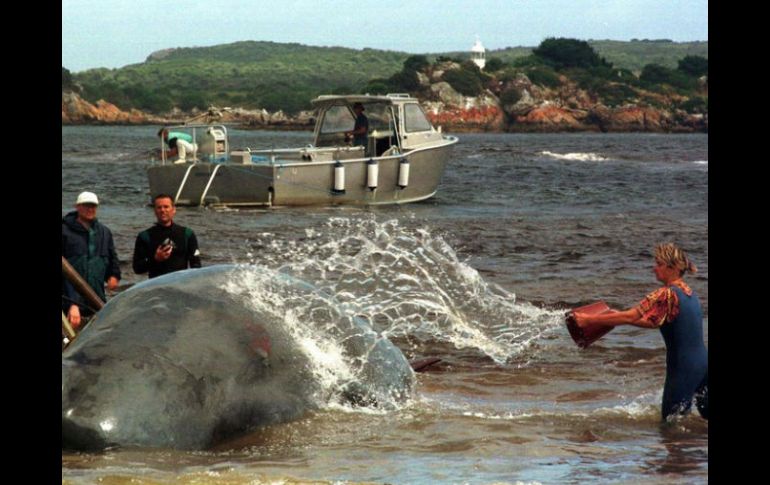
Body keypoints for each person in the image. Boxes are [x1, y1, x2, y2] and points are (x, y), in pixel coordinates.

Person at [573, 242, 708, 422]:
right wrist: (614, 316)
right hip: (703, 365)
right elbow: (654, 323)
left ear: (673, 267)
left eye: (659, 264)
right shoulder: (690, 293)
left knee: (671, 425)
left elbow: (630, 316)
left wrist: (588, 320)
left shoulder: (665, 294)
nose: (654, 269)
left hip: (683, 368)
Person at [62, 191, 121, 329]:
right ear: (77, 207)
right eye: (86, 205)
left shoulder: (104, 232)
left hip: (96, 297)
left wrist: (114, 275)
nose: (90, 209)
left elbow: (113, 258)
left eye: (93, 206)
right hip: (69, 300)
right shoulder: (64, 231)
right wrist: (72, 304)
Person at [132, 194, 202, 278]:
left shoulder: (187, 234)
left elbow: (196, 266)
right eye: (159, 207)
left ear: (173, 210)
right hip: (156, 286)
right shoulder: (144, 236)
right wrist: (156, 259)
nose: (162, 210)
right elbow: (137, 269)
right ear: (155, 211)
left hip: (179, 285)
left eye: (166, 207)